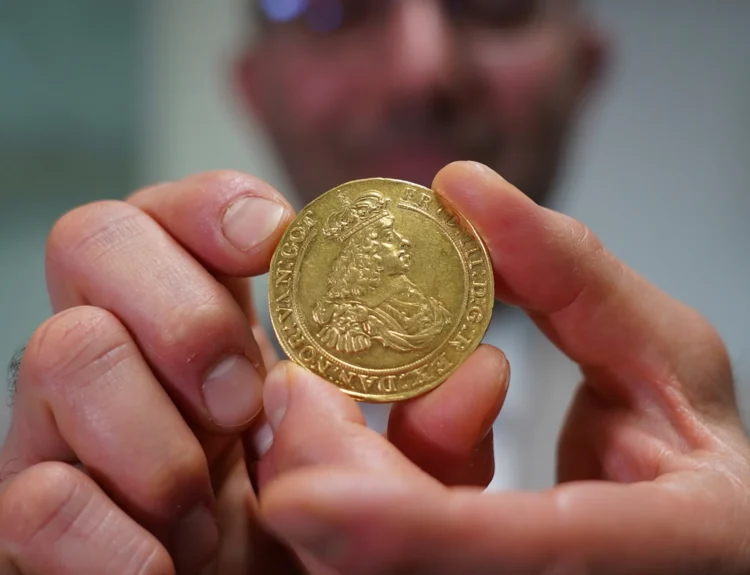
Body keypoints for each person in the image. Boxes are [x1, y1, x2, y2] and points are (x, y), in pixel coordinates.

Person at [0, 2, 749, 574]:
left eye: (493, 3)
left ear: (583, 69)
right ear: (255, 88)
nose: (421, 68)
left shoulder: (722, 487)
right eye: (333, 6)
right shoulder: (104, 453)